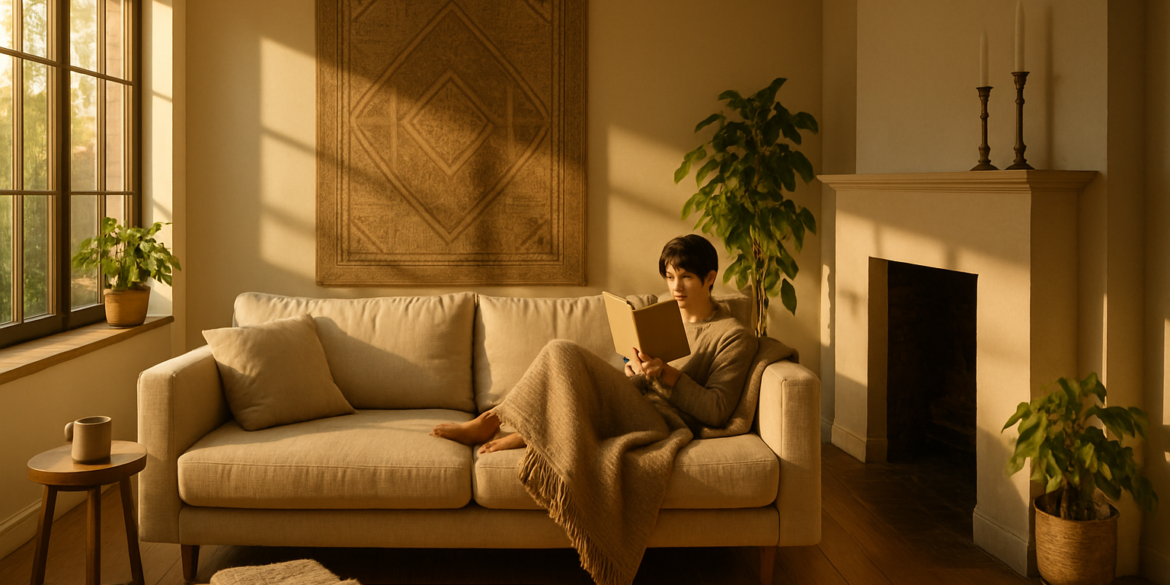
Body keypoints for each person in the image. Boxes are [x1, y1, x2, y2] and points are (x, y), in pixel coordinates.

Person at [430, 234, 758, 453]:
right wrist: (635, 369)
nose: (676, 287)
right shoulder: (662, 314)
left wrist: (667, 374)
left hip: (662, 420)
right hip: (635, 397)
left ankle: (500, 425)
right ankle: (512, 428)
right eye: (670, 277)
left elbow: (717, 411)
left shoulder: (731, 335)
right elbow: (640, 374)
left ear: (710, 277)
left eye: (685, 277)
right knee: (566, 365)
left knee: (562, 350)